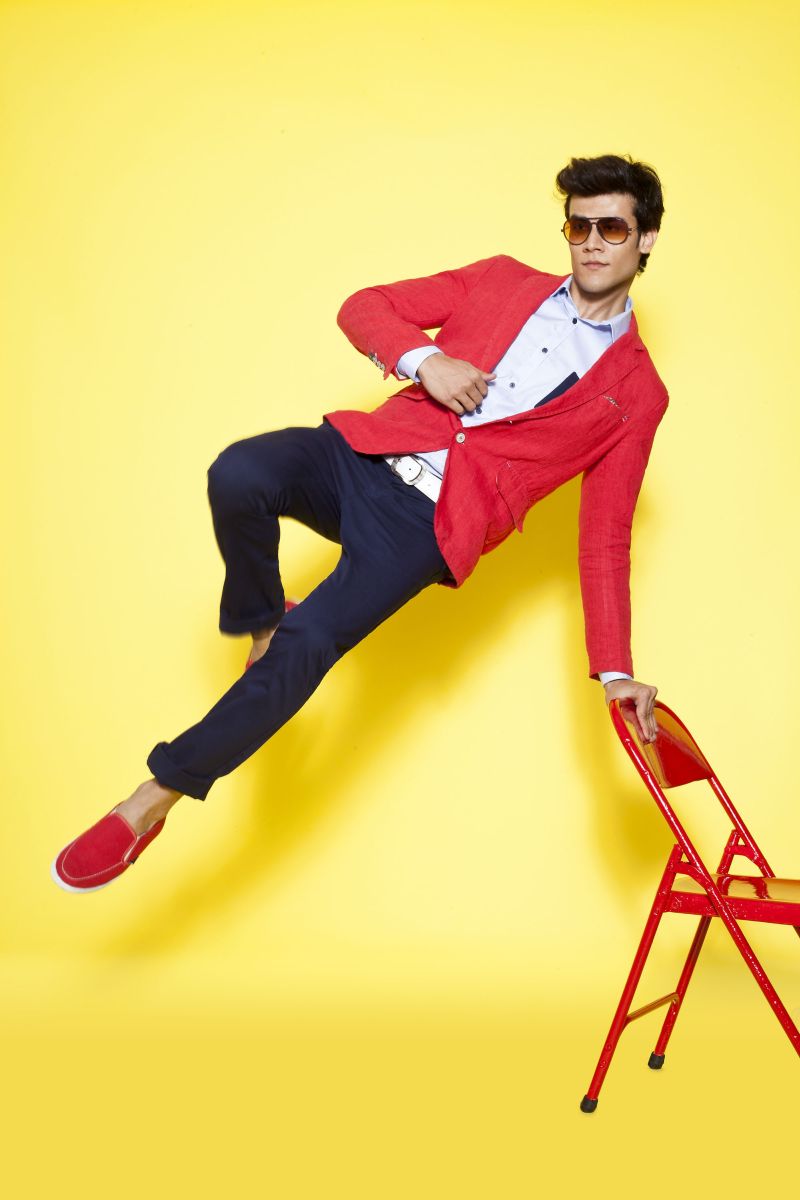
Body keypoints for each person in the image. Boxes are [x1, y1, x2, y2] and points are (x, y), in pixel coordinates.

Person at [51, 152, 667, 893]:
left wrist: (616, 672)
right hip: (364, 455)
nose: (592, 243)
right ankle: (261, 623)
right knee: (240, 473)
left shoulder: (638, 392)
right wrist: (425, 360)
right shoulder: (502, 279)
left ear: (645, 238)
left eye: (611, 228)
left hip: (427, 524)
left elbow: (605, 536)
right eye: (578, 226)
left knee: (311, 644)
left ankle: (150, 802)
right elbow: (364, 305)